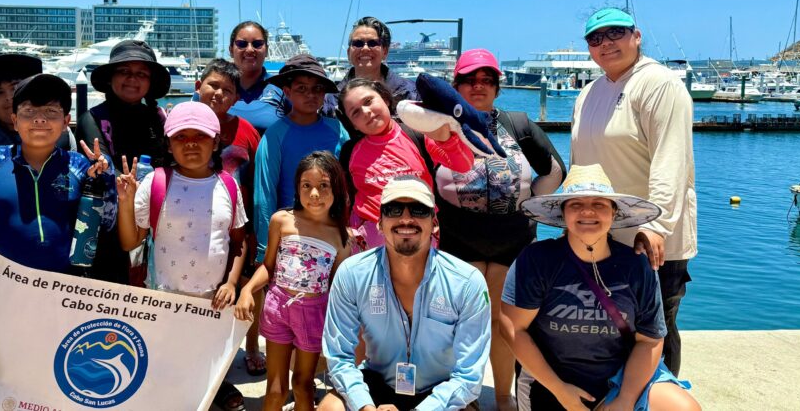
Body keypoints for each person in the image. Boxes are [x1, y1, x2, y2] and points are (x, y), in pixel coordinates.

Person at [501, 164, 698, 411]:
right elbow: (512, 328)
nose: (587, 211)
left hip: (621, 377)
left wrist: (625, 398)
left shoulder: (637, 266)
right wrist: (560, 391)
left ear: (614, 213)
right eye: (575, 204)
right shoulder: (537, 260)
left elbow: (649, 340)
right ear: (563, 214)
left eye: (599, 204)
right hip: (552, 380)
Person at [434, 48, 566, 410]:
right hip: (456, 240)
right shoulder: (437, 126)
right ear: (455, 85)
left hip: (514, 240)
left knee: (503, 323)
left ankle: (505, 396)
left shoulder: (518, 124)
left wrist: (530, 201)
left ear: (497, 87)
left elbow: (554, 169)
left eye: (487, 80)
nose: (478, 86)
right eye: (469, 80)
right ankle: (466, 394)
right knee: (460, 323)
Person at [571, 8, 696, 376]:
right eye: (596, 38)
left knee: (654, 331)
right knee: (610, 331)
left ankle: (663, 399)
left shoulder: (660, 83)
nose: (605, 43)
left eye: (615, 33)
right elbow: (580, 164)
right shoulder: (588, 93)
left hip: (652, 242)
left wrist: (656, 224)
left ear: (636, 36)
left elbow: (670, 161)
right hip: (601, 238)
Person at [115, 101, 249, 411]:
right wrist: (126, 201)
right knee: (167, 370)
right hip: (164, 300)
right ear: (169, 143)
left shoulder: (228, 186)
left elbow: (238, 241)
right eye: (180, 137)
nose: (190, 144)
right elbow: (130, 242)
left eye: (200, 136)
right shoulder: (156, 182)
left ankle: (213, 392)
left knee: (205, 363)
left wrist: (230, 284)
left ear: (216, 142)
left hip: (212, 301)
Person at [321, 175, 491, 411]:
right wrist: (365, 406)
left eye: (419, 210)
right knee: (330, 408)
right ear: (379, 223)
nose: (406, 218)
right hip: (377, 383)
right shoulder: (352, 274)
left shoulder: (467, 282)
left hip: (440, 392)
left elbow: (468, 377)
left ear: (435, 223)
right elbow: (339, 357)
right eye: (394, 209)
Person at [0, 73, 114, 277]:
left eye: (51, 111)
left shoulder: (79, 165)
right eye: (28, 111)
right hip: (3, 282)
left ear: (66, 121)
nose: (40, 118)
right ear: (15, 120)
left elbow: (107, 223)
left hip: (66, 288)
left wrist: (106, 175)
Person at [235, 151, 350, 411]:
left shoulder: (342, 238)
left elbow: (338, 289)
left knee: (303, 385)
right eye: (306, 186)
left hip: (313, 314)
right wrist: (247, 291)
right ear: (297, 187)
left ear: (337, 188)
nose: (314, 195)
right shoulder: (282, 220)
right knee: (275, 389)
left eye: (323, 186)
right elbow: (268, 265)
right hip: (277, 308)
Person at [337, 78, 474, 253]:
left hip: (418, 230)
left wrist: (447, 140)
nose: (366, 112)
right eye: (355, 112)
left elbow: (464, 165)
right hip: (369, 241)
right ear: (352, 124)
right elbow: (344, 198)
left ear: (385, 99)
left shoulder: (417, 134)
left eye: (369, 101)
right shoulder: (351, 151)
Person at [77, 39, 171, 285]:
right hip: (108, 229)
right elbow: (105, 164)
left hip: (154, 222)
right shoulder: (92, 118)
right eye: (124, 71)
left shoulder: (158, 118)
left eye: (141, 74)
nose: (133, 79)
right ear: (110, 78)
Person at [195, 58, 267, 376]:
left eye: (227, 89)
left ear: (236, 98)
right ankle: (206, 355)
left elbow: (258, 178)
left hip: (239, 222)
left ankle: (250, 346)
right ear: (198, 87)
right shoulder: (181, 121)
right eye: (212, 85)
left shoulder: (246, 130)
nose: (219, 93)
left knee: (249, 284)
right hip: (195, 222)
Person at [254, 54, 349, 266]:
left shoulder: (337, 130)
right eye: (301, 88)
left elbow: (347, 185)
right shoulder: (275, 135)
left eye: (317, 89)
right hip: (291, 235)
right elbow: (264, 195)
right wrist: (264, 250)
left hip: (332, 232)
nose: (310, 95)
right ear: (287, 92)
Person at [323, 16, 419, 123]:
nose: (365, 48)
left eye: (373, 43)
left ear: (385, 52)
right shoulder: (331, 99)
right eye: (358, 43)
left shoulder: (410, 93)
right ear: (349, 53)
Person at [225, 20, 288, 133]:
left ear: (267, 50)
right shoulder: (217, 88)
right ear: (230, 50)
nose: (249, 49)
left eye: (257, 44)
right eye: (242, 44)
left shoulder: (282, 88)